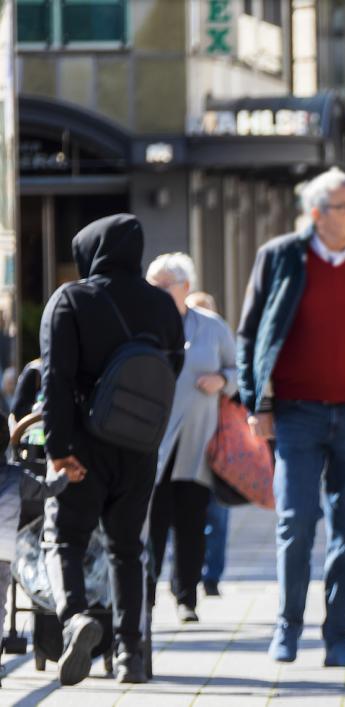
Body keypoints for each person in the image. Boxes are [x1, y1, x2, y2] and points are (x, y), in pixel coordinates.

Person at [237, 167, 345, 668]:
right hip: (294, 416)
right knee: (295, 522)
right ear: (316, 213)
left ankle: (339, 637)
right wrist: (256, 403)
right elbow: (251, 337)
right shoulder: (281, 257)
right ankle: (287, 628)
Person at [39, 214, 184, 685]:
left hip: (83, 445)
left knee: (65, 539)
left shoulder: (71, 300)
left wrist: (58, 448)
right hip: (139, 448)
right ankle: (130, 655)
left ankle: (76, 617)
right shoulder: (162, 305)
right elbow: (171, 372)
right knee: (127, 549)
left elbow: (55, 380)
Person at [146, 254, 237, 624]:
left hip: (199, 441)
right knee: (149, 524)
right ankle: (144, 595)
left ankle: (187, 597)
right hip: (152, 441)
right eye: (150, 285)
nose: (154, 292)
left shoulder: (212, 327)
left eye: (162, 286)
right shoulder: (143, 324)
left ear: (185, 287)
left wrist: (222, 381)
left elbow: (238, 370)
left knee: (192, 522)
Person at [184, 290, 233, 597]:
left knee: (217, 514)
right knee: (184, 516)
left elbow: (239, 372)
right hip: (183, 444)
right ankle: (185, 578)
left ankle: (212, 575)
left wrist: (223, 381)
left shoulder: (220, 339)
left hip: (218, 443)